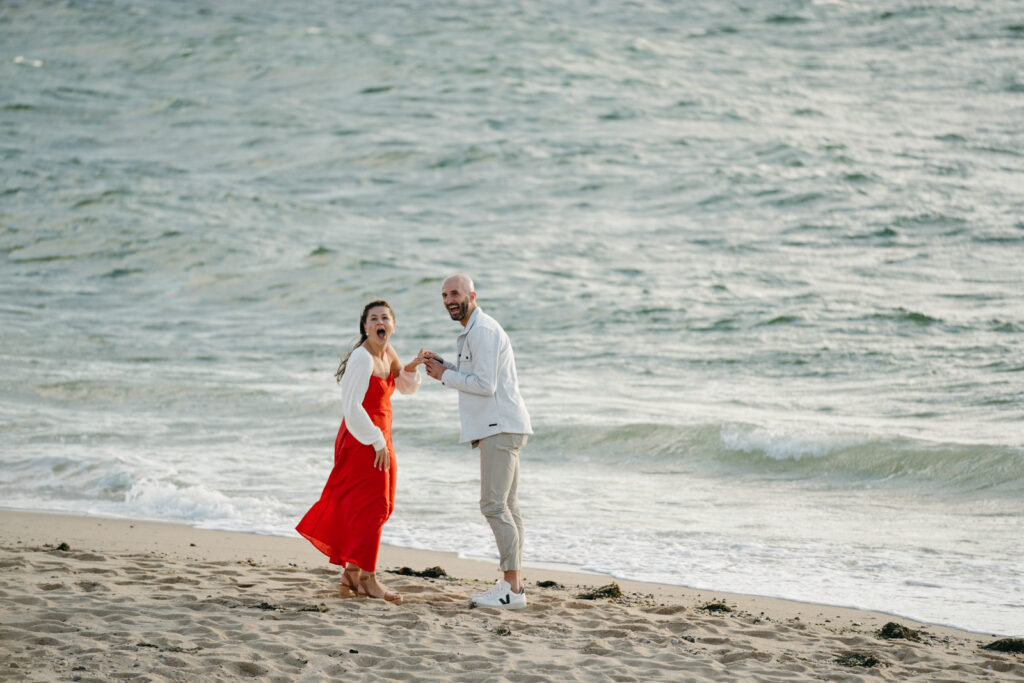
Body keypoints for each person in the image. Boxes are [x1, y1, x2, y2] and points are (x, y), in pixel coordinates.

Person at [297, 300, 425, 605]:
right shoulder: (361, 358)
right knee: (375, 506)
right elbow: (351, 407)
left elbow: (405, 387)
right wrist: (376, 441)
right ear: (365, 326)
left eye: (385, 318)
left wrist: (413, 365)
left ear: (393, 325)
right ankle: (368, 578)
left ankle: (352, 573)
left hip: (381, 435)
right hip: (362, 438)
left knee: (382, 504)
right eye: (374, 318)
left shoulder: (388, 353)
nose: (380, 322)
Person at [422, 274, 533, 609]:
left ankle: (511, 589)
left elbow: (484, 385)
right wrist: (447, 367)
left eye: (454, 293)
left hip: (498, 426)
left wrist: (445, 376)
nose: (448, 301)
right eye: (443, 295)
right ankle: (513, 587)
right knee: (508, 507)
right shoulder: (475, 330)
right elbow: (479, 377)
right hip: (504, 424)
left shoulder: (482, 331)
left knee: (494, 506)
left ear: (472, 294)